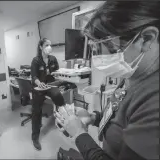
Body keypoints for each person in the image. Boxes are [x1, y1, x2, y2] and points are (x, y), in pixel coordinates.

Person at [55, 1, 159, 160]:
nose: (99, 57)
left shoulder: (153, 102)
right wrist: (93, 117)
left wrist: (78, 133)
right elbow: (118, 113)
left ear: (146, 39)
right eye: (94, 49)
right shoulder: (132, 74)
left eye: (106, 46)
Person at [31, 38, 66, 151]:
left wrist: (59, 76)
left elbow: (57, 72)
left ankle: (64, 123)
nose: (49, 47)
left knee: (59, 98)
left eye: (50, 45)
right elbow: (34, 76)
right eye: (46, 45)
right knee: (36, 111)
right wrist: (39, 83)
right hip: (39, 87)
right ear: (41, 47)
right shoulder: (36, 60)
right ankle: (35, 137)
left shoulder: (53, 59)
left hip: (50, 85)